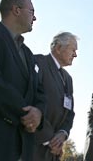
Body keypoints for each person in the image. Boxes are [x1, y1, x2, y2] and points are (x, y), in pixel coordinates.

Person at [0, 0, 45, 161]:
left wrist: (39, 114)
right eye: (32, 11)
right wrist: (25, 114)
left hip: (23, 148)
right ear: (16, 10)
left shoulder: (29, 54)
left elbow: (40, 92)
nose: (35, 18)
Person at [33, 32, 78, 161]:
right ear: (58, 48)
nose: (75, 54)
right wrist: (50, 138)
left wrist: (63, 134)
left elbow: (69, 113)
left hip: (54, 151)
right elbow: (31, 100)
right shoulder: (38, 63)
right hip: (34, 146)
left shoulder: (68, 79)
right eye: (73, 50)